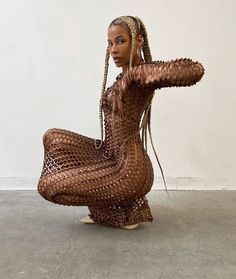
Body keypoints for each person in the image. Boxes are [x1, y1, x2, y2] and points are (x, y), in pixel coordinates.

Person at [38, 16, 204, 229]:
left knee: (49, 187)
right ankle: (109, 207)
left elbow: (194, 70)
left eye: (120, 41)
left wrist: (133, 74)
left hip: (128, 169)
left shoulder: (140, 74)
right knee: (53, 138)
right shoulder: (122, 77)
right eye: (109, 43)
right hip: (109, 154)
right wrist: (126, 76)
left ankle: (117, 213)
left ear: (138, 42)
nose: (113, 49)